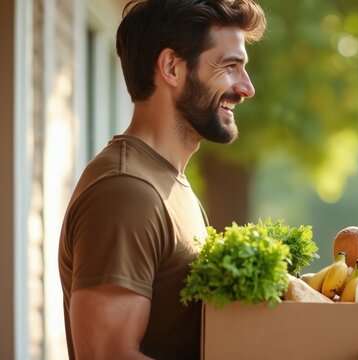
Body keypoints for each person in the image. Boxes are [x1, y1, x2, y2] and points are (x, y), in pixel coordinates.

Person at [58, 0, 266, 358]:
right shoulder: (125, 192)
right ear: (171, 67)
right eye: (230, 66)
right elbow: (107, 355)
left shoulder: (170, 184)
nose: (246, 88)